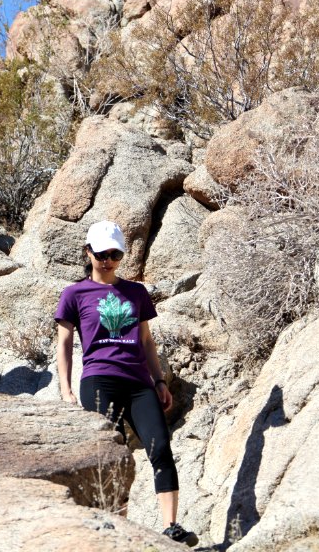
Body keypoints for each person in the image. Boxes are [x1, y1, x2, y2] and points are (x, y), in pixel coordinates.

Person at [55, 220, 199, 547]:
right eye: (101, 252)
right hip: (98, 380)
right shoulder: (74, 294)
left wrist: (159, 380)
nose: (107, 259)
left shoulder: (136, 292)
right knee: (114, 457)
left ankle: (171, 526)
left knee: (160, 448)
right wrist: (65, 390)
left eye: (114, 254)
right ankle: (117, 529)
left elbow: (146, 340)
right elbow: (64, 343)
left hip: (138, 382)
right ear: (88, 252)